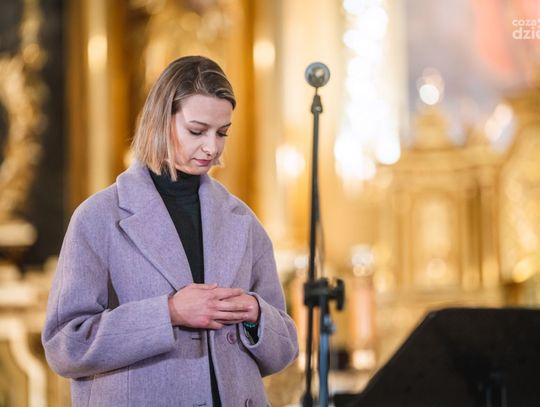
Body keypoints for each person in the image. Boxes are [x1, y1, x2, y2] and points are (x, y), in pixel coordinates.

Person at [42, 55, 299, 407]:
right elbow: (65, 346)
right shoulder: (97, 218)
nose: (211, 147)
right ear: (161, 121)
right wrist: (169, 313)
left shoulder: (243, 221)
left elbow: (284, 350)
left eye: (222, 132)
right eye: (197, 130)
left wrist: (255, 313)